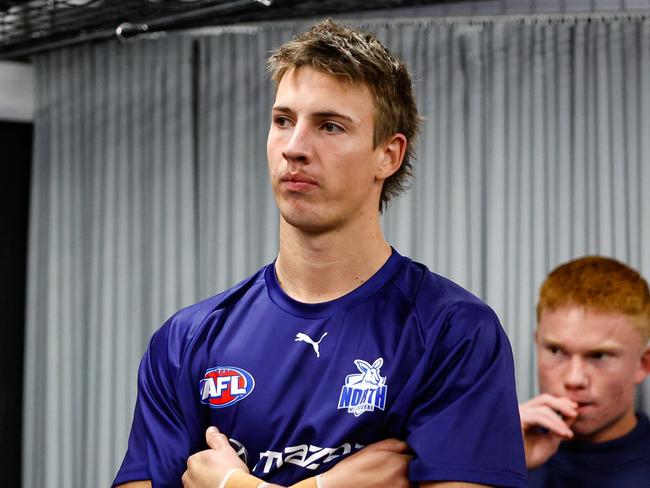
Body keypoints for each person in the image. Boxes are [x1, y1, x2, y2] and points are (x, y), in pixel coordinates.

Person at [113, 19, 527, 488]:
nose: (294, 148)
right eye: (283, 120)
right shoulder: (186, 340)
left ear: (387, 155)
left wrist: (233, 484)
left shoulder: (454, 333)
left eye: (330, 126)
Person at [520, 256, 650, 487]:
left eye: (599, 356)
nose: (574, 379)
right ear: (537, 343)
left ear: (643, 364)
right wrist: (499, 465)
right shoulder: (496, 452)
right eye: (556, 350)